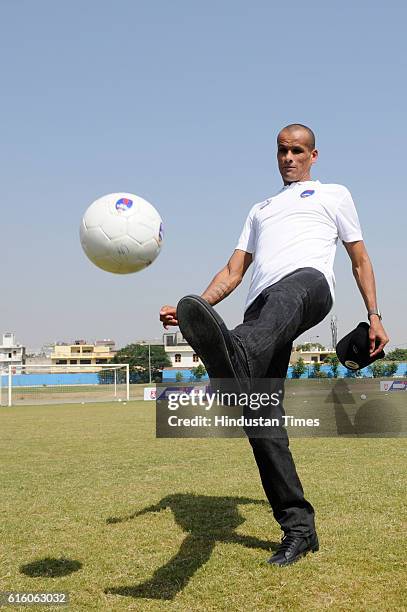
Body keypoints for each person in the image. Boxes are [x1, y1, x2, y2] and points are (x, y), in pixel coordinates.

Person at [159, 123, 389, 566]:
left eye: (297, 150)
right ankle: (299, 530)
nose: (288, 157)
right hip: (261, 314)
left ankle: (236, 358)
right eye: (282, 151)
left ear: (314, 154)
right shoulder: (259, 209)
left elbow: (360, 257)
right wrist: (195, 311)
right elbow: (232, 271)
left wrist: (374, 315)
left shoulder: (333, 194)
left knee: (282, 298)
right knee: (263, 426)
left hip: (309, 287)